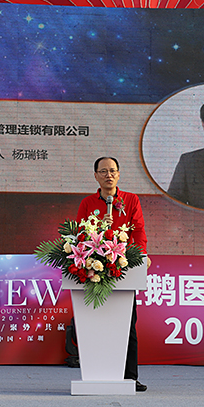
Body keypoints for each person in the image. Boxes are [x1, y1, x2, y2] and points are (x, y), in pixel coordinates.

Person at [76, 156, 148, 392]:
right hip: (95, 268)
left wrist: (142, 255)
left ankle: (130, 377)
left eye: (113, 171)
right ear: (95, 176)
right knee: (97, 322)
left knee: (128, 324)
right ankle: (97, 373)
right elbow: (80, 235)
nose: (109, 175)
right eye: (104, 171)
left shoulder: (131, 200)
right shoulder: (88, 203)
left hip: (123, 266)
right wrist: (99, 227)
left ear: (119, 174)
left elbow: (138, 231)